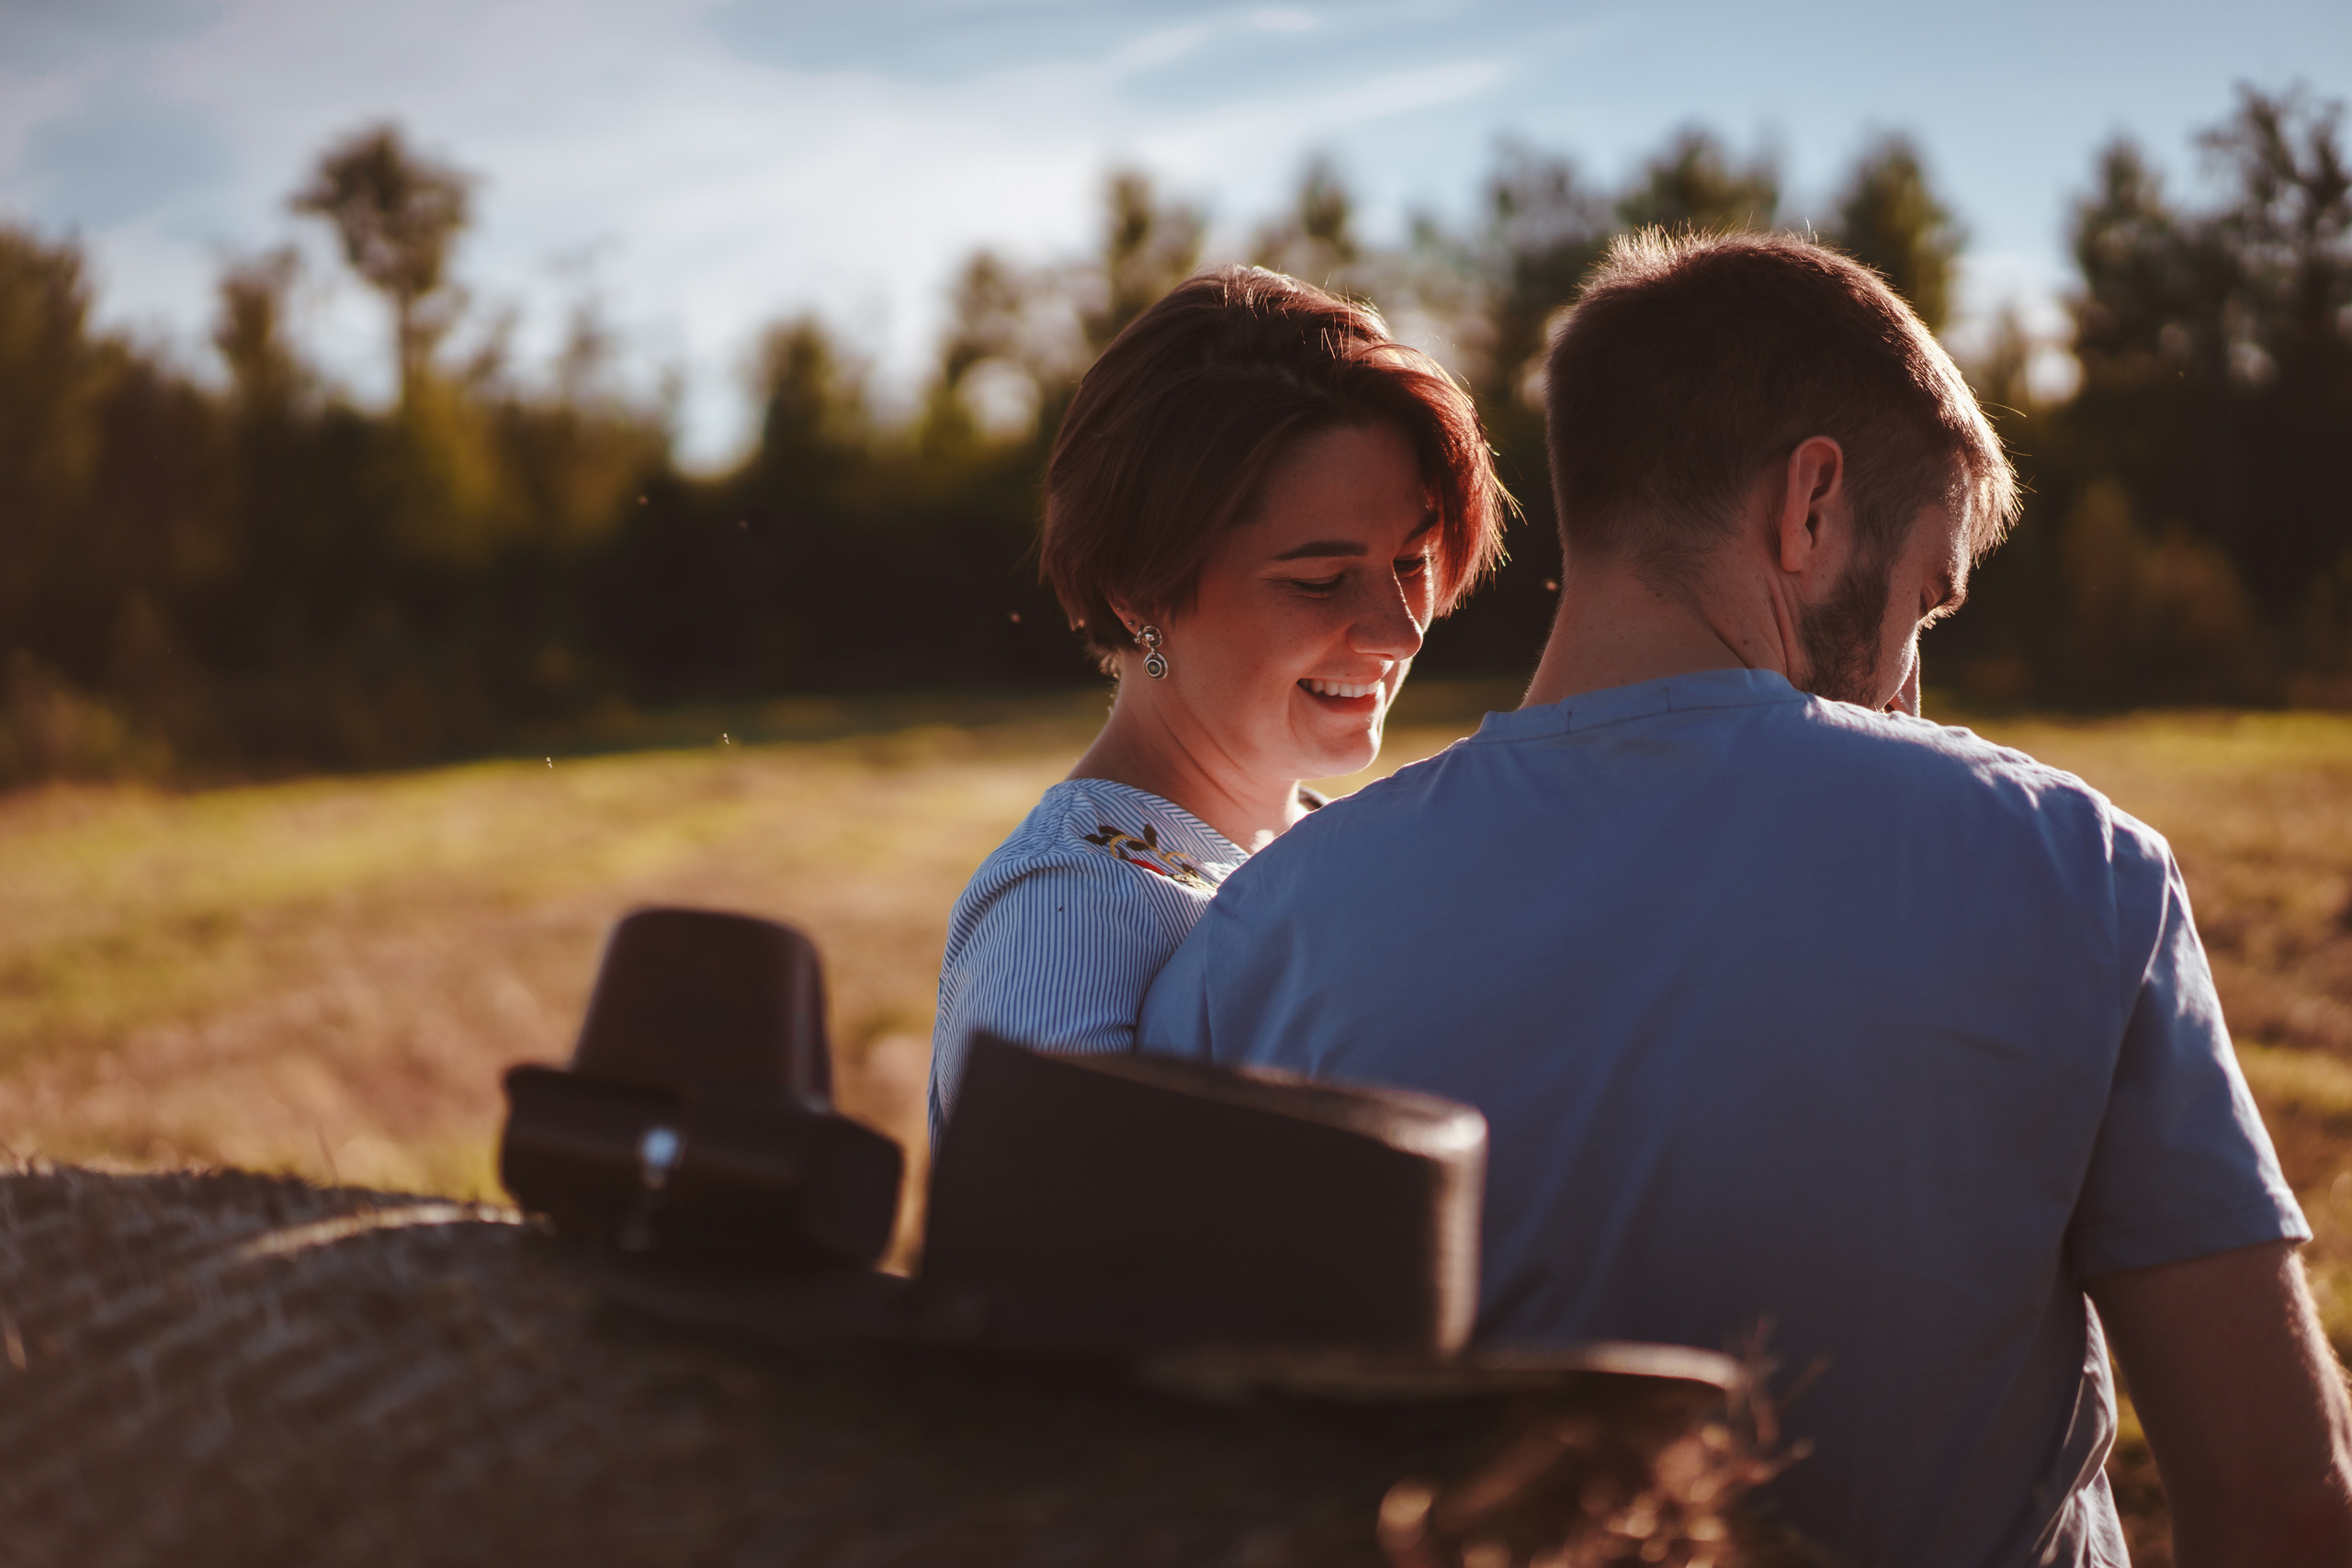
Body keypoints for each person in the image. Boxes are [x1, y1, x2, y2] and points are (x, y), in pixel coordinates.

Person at [1136, 231, 2352, 1565]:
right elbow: (2284, 1498)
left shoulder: (1258, 937)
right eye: (1925, 605)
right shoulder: (2073, 861)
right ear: (1811, 504)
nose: (1908, 692)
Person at [926, 265, 1508, 1143]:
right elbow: (1049, 1274)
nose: (1400, 631)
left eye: (1413, 562)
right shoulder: (1068, 915)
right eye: (1319, 580)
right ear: (1137, 591)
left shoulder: (1326, 849)